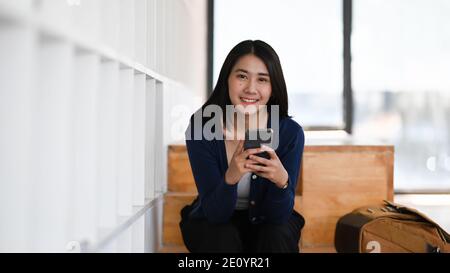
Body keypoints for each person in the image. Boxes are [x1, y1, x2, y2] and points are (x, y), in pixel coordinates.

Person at [180, 40, 305, 253]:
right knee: (222, 237)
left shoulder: (289, 133)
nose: (251, 88)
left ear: (273, 88)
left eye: (262, 79)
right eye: (242, 76)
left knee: (276, 235)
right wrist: (231, 176)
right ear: (227, 79)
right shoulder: (203, 127)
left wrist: (282, 181)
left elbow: (278, 217)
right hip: (214, 220)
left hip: (268, 220)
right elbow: (215, 214)